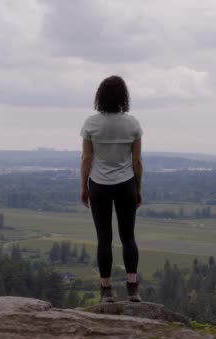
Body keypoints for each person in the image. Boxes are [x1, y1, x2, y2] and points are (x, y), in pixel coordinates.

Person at [80, 75, 143, 303]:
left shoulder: (91, 124)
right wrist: (138, 188)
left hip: (99, 185)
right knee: (128, 237)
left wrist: (84, 187)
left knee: (104, 239)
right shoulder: (132, 124)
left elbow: (87, 158)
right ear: (123, 97)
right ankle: (132, 288)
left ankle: (106, 290)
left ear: (100, 96)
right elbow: (137, 161)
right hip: (126, 184)